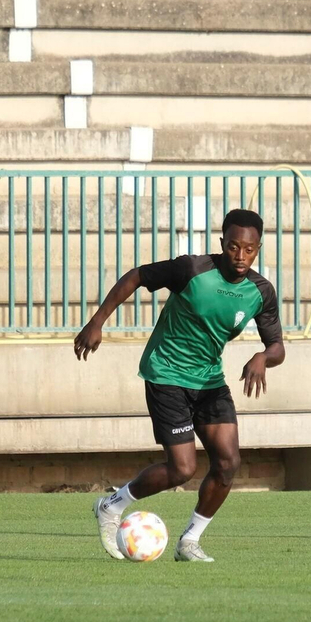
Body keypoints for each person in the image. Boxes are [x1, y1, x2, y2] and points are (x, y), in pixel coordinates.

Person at [76, 210, 284, 563]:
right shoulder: (193, 269)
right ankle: (112, 505)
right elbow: (137, 276)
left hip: (208, 380)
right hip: (167, 372)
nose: (240, 255)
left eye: (249, 249)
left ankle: (190, 541)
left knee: (228, 463)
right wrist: (97, 322)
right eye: (233, 246)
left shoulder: (260, 292)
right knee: (182, 469)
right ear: (223, 244)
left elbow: (278, 346)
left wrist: (263, 357)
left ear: (258, 248)